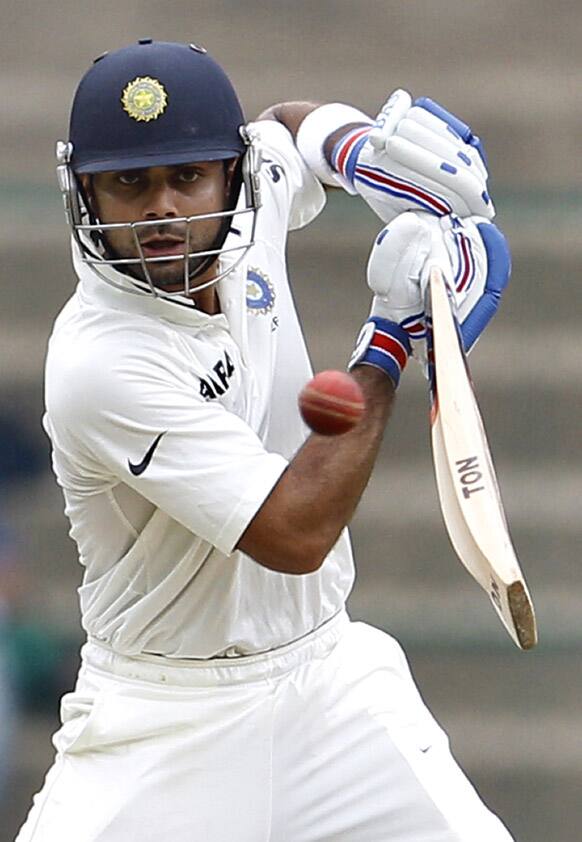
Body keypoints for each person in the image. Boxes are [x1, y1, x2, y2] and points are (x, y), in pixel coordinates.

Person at [16, 40, 513, 841]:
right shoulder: (98, 361)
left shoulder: (252, 207)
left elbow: (285, 127)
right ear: (85, 194)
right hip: (164, 719)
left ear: (231, 175)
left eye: (187, 176)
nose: (164, 210)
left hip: (328, 685)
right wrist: (390, 337)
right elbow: (294, 531)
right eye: (129, 185)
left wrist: (355, 153)